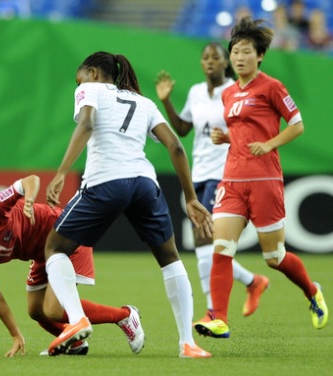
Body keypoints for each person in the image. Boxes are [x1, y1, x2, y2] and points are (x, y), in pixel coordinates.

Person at [41, 51, 213, 358]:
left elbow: (88, 124)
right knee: (170, 258)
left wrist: (61, 173)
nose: (77, 86)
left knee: (55, 248)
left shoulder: (88, 89)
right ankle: (188, 343)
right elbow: (175, 145)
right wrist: (190, 197)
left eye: (78, 79)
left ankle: (76, 319)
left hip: (106, 180)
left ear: (93, 73)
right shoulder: (143, 102)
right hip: (145, 183)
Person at [193, 17, 328, 340]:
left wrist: (269, 143)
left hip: (265, 179)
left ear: (260, 55)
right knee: (221, 248)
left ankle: (312, 291)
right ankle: (218, 318)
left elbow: (297, 125)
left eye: (246, 52)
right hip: (232, 180)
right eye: (235, 52)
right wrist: (226, 138)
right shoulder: (228, 94)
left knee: (274, 258)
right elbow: (243, 131)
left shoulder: (272, 86)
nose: (239, 57)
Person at [0, 175, 144, 357]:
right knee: (36, 311)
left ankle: (124, 315)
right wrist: (16, 335)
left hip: (65, 236)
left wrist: (28, 200)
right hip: (43, 254)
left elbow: (30, 180)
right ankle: (75, 341)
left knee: (53, 310)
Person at [155, 42, 270, 324]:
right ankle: (252, 282)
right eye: (205, 57)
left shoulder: (234, 91)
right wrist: (166, 101)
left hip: (227, 171)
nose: (209, 62)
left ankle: (213, 311)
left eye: (215, 57)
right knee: (206, 243)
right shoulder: (195, 92)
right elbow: (182, 129)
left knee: (204, 239)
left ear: (225, 62)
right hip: (199, 174)